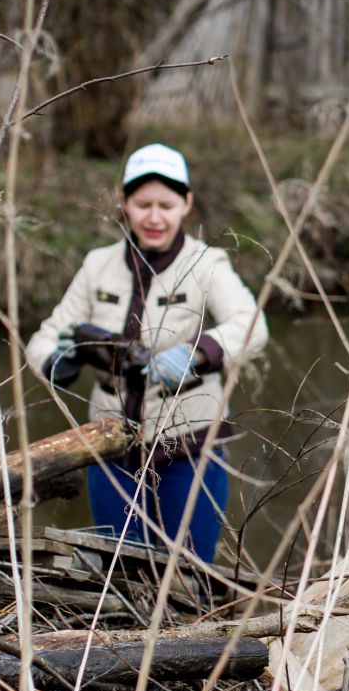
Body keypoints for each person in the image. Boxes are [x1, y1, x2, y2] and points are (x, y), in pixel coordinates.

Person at [26, 143, 268, 563]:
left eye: (166, 205)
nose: (154, 217)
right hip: (110, 450)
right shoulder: (97, 264)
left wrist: (195, 354)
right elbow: (46, 335)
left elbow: (251, 325)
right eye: (143, 204)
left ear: (186, 204)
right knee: (121, 571)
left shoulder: (208, 263)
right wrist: (57, 361)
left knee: (190, 573)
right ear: (125, 203)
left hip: (189, 450)